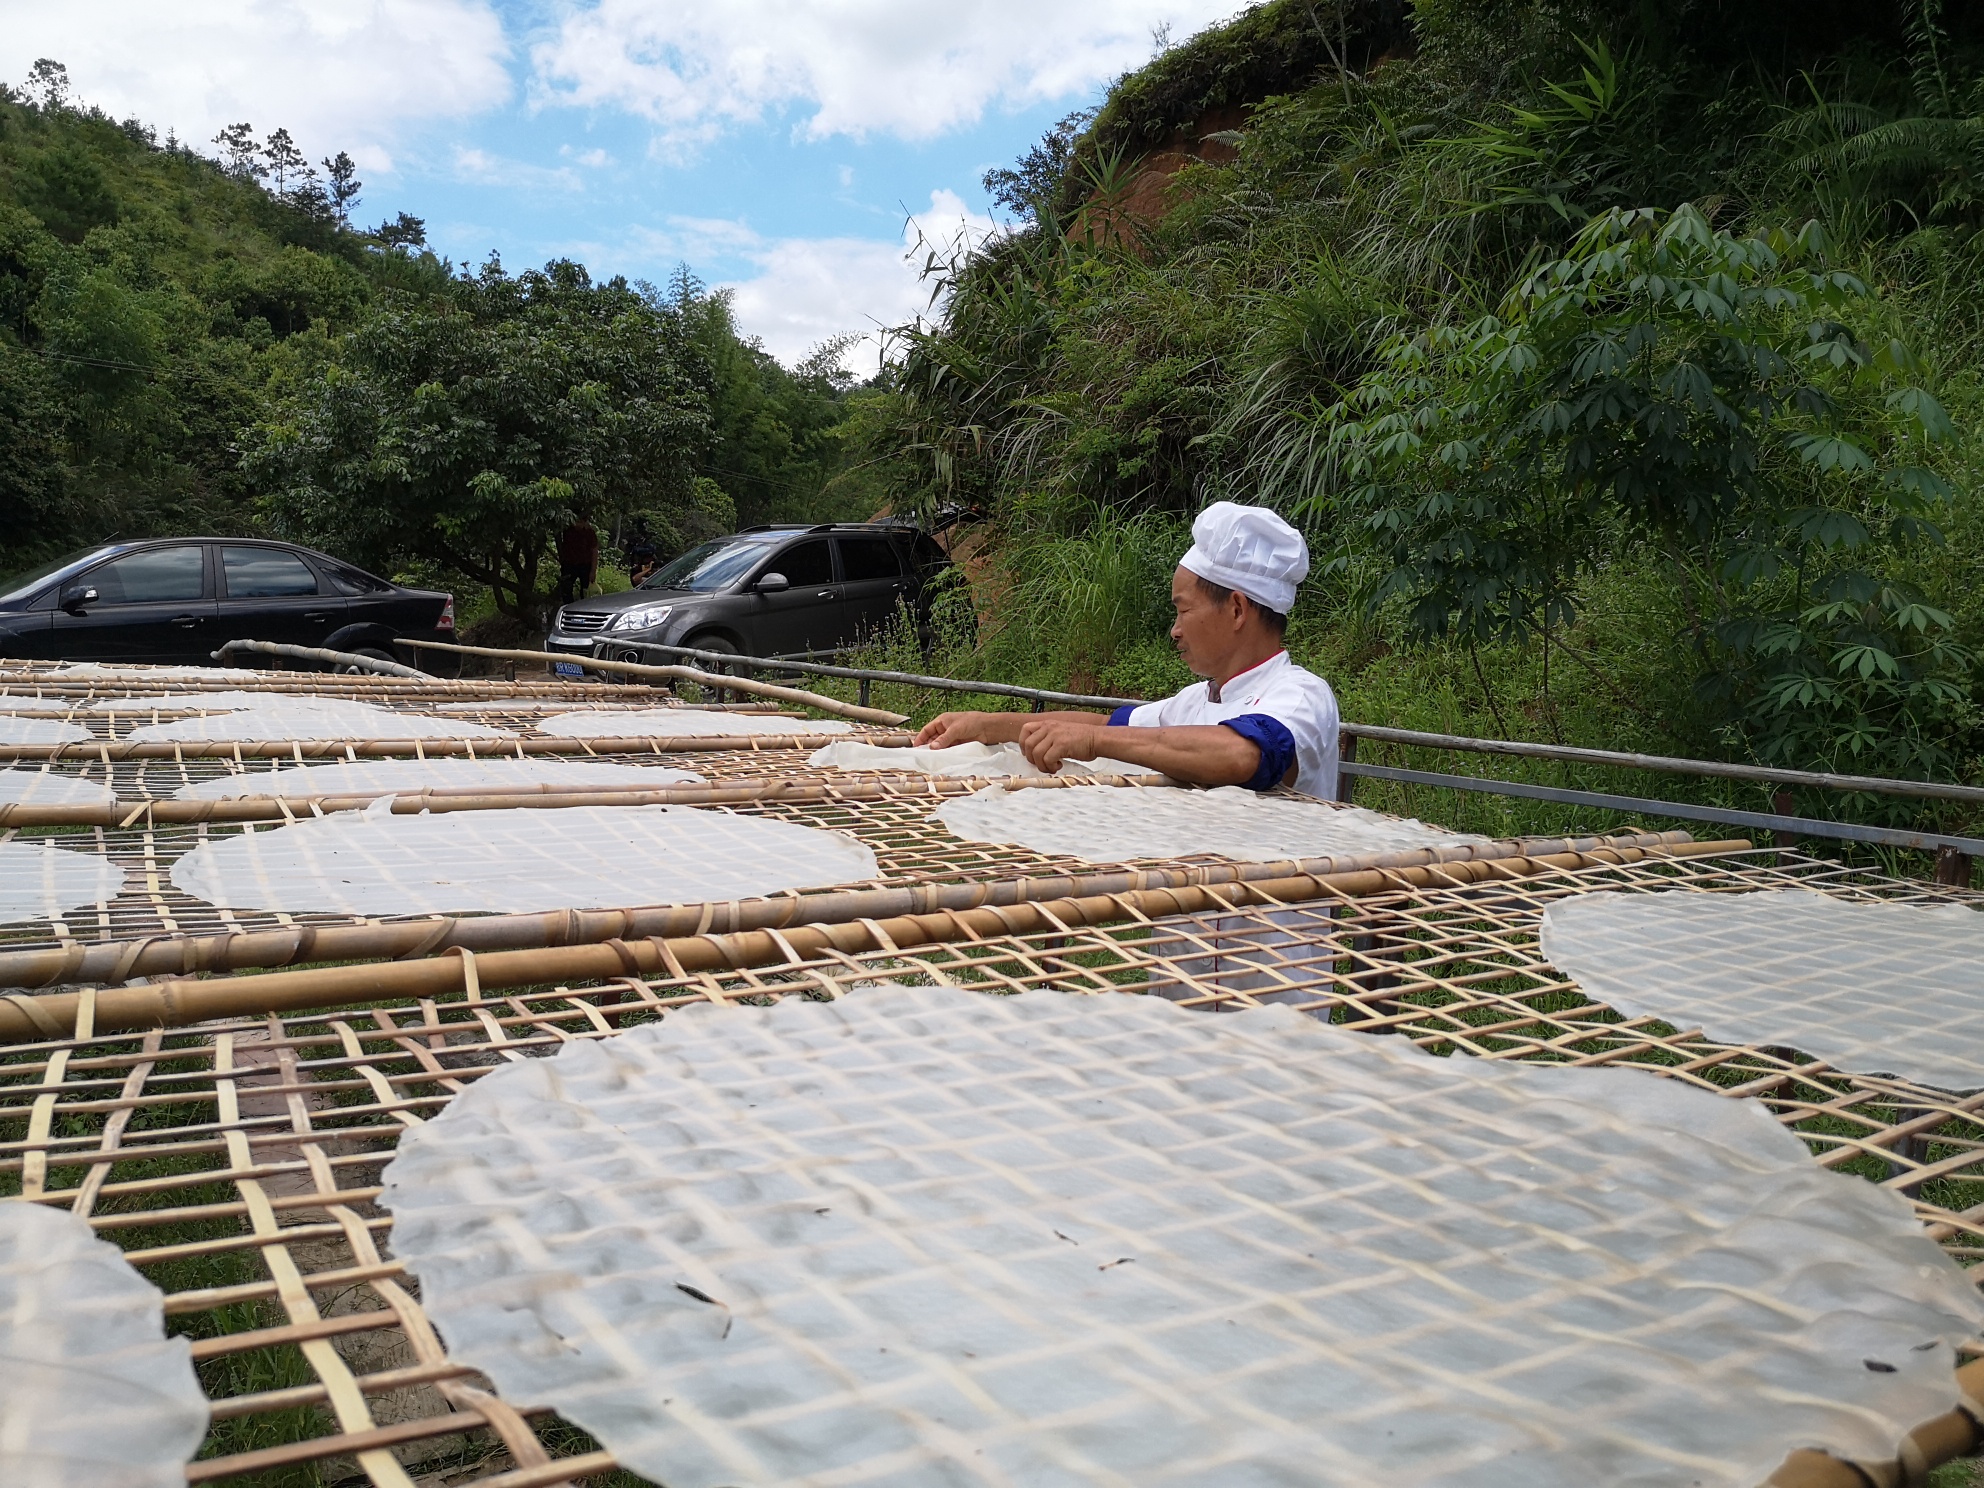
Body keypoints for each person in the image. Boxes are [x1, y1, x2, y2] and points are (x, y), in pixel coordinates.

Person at [916, 502, 1341, 797]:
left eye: (1183, 610)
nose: (1174, 631)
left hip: (1273, 927)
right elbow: (1112, 723)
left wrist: (1093, 741)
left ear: (1235, 609)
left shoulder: (1299, 695)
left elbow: (1244, 755)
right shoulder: (1197, 701)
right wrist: (988, 726)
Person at [556, 517, 599, 606]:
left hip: (585, 564)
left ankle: (585, 608)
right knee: (566, 589)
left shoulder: (589, 532)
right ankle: (569, 607)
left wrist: (593, 571)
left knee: (585, 590)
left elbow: (594, 551)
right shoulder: (567, 531)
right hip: (570, 563)